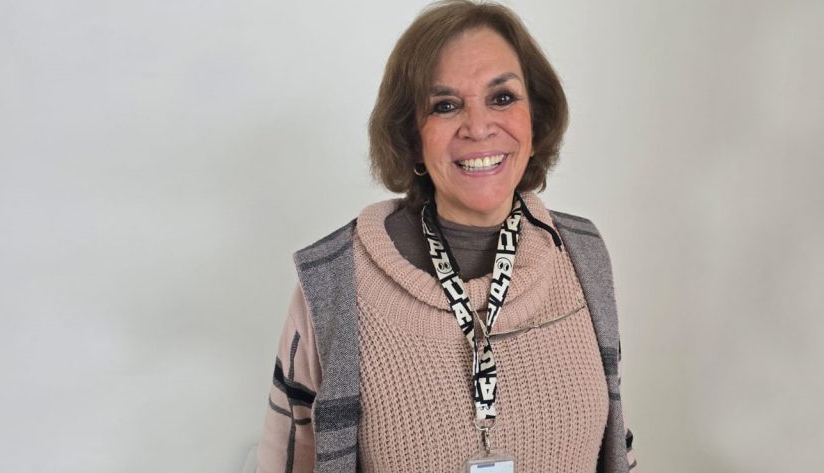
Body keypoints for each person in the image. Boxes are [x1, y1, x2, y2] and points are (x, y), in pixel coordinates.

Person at [255, 1, 638, 471]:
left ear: (535, 120)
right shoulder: (334, 285)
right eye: (446, 105)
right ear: (411, 137)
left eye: (502, 98)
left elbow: (618, 451)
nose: (478, 127)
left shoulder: (584, 255)